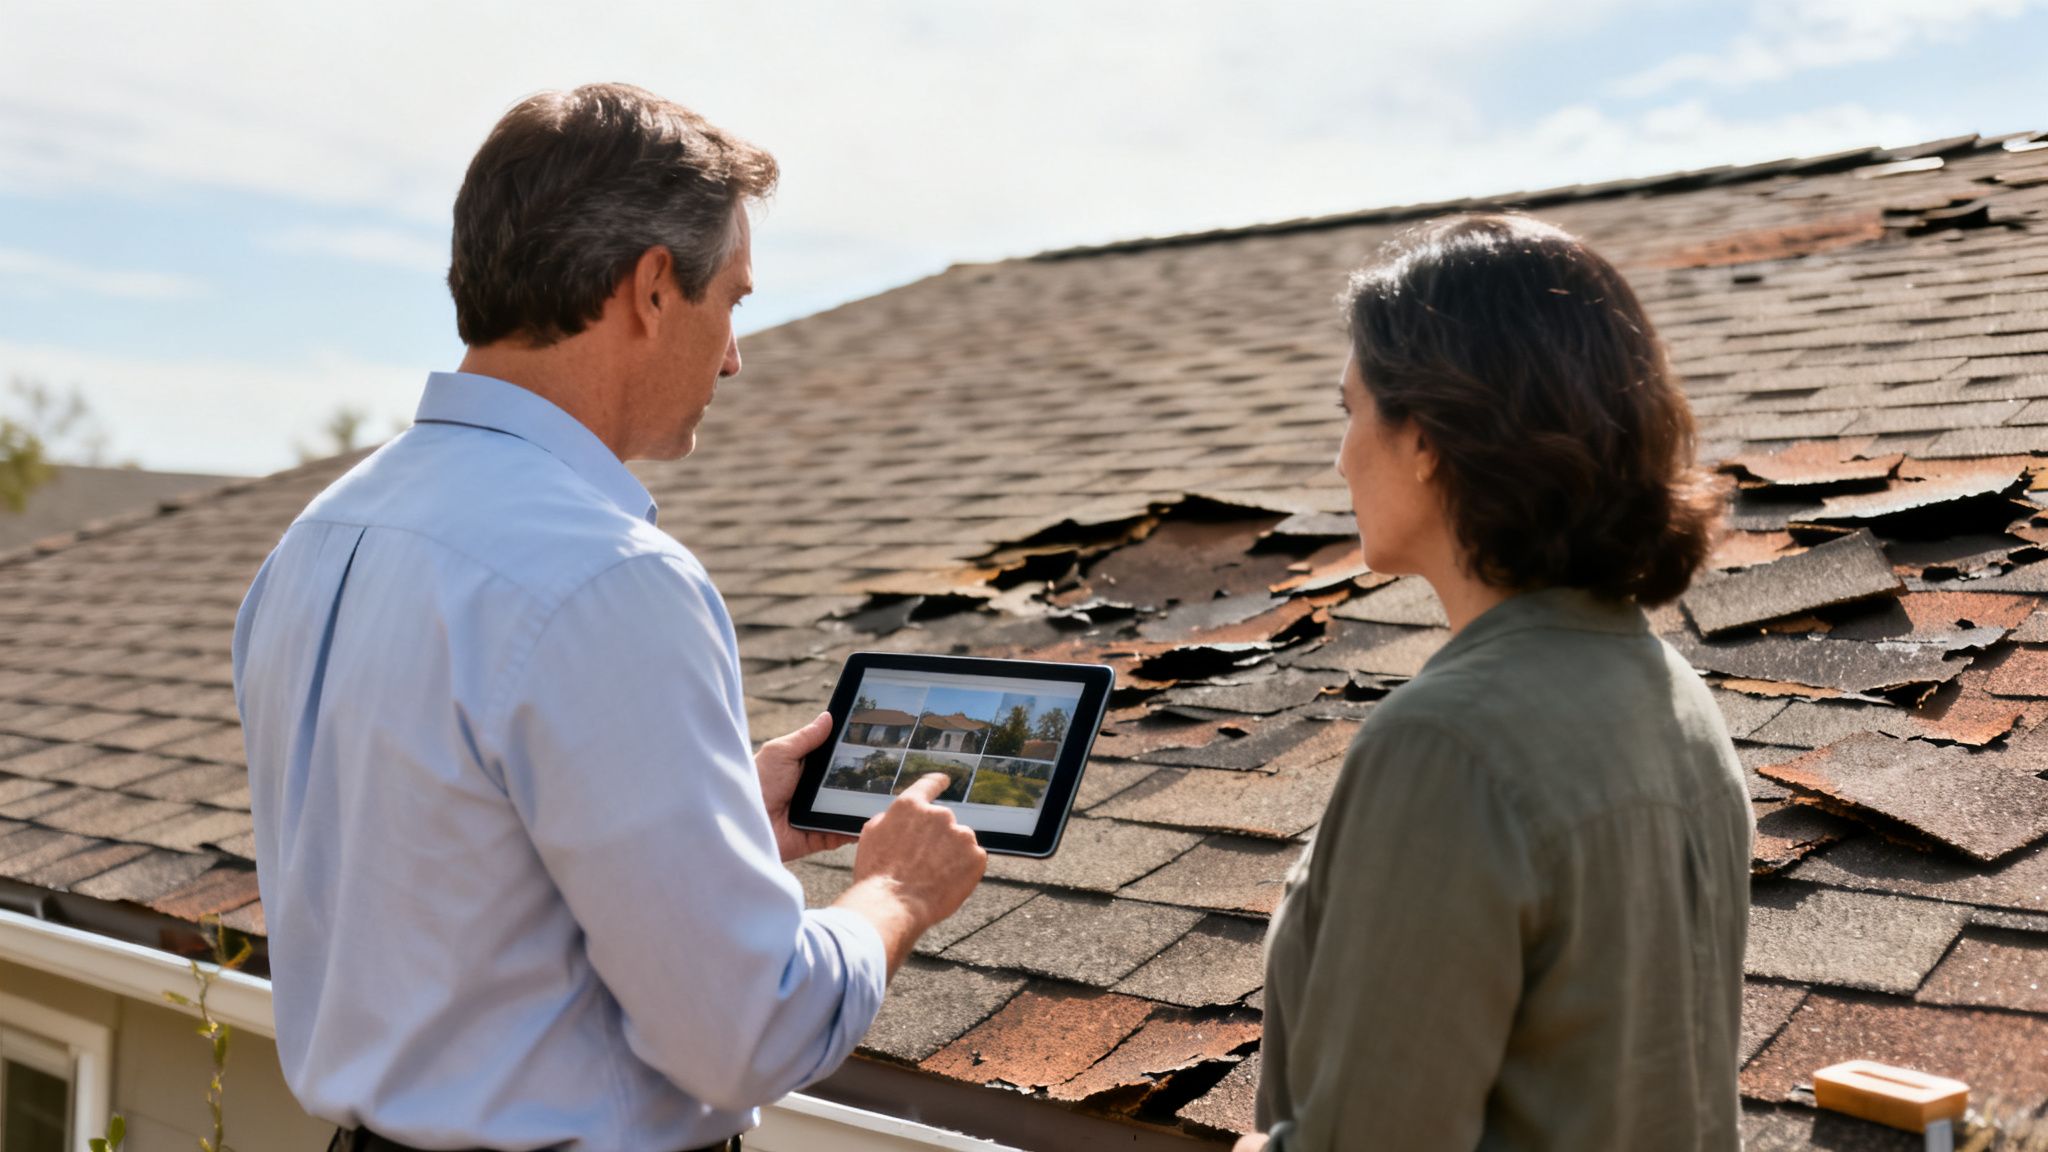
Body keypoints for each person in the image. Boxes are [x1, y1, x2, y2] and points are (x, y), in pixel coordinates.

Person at [233, 84, 987, 1152]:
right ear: (648, 289)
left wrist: (713, 831)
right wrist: (894, 896)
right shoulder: (605, 577)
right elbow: (745, 1032)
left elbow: (445, 884)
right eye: (730, 299)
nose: (733, 354)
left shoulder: (319, 537)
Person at [1237, 214, 1750, 1151]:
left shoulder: (1447, 743)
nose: (1340, 456)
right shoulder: (1672, 694)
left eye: (1349, 411)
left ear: (1425, 435)